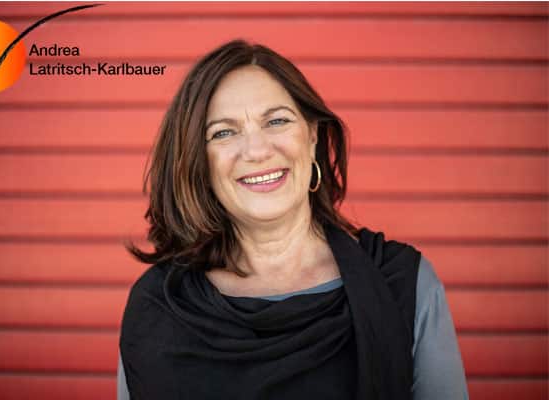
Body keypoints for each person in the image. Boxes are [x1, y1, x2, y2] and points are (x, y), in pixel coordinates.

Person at [119, 39, 469, 400]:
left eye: (277, 121)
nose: (257, 151)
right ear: (198, 160)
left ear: (312, 134)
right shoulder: (157, 306)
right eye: (223, 132)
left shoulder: (404, 283)